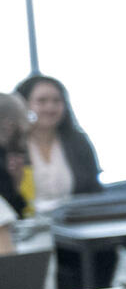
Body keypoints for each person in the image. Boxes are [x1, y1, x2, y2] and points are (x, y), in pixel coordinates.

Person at [16, 75, 103, 208]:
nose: (50, 107)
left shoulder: (78, 141)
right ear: (24, 104)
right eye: (42, 101)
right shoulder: (13, 145)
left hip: (76, 221)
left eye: (57, 101)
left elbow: (93, 189)